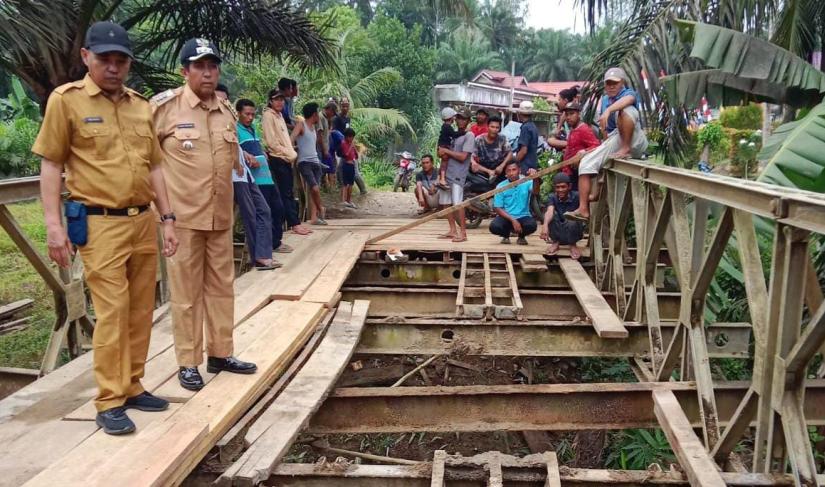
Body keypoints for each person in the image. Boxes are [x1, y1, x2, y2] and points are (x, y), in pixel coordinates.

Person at [33, 21, 178, 436]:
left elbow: (154, 167)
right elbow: (51, 164)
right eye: (104, 60)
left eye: (121, 61)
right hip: (99, 224)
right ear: (86, 58)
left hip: (142, 221)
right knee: (112, 312)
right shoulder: (67, 101)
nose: (113, 68)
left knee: (140, 310)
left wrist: (167, 219)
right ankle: (110, 399)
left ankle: (133, 385)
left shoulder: (139, 106)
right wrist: (53, 225)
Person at [152, 37, 257, 392]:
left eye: (213, 66)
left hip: (219, 219)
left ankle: (221, 353)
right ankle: (188, 361)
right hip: (182, 220)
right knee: (185, 294)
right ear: (185, 71)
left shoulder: (226, 111)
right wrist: (162, 214)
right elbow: (145, 163)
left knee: (221, 288)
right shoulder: (165, 109)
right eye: (200, 66)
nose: (208, 73)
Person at [565, 67, 648, 223]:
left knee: (625, 111)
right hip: (614, 138)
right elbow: (606, 132)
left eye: (614, 83)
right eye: (608, 83)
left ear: (622, 83)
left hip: (634, 139)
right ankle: (583, 209)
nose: (610, 86)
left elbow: (628, 102)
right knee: (586, 163)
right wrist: (600, 145)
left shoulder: (628, 94)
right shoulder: (604, 100)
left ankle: (626, 147)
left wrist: (609, 110)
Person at [218, 87, 278, 271]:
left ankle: (261, 255)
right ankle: (258, 257)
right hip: (233, 175)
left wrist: (245, 155)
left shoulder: (230, 121)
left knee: (263, 210)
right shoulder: (213, 121)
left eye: (225, 99)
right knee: (251, 214)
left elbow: (233, 144)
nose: (222, 102)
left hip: (245, 173)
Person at [236, 98, 293, 257]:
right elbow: (235, 151)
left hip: (266, 176)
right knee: (263, 213)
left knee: (278, 209)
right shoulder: (235, 130)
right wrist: (247, 157)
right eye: (247, 114)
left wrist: (263, 154)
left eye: (253, 114)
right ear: (238, 113)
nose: (250, 117)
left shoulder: (254, 128)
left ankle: (275, 242)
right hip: (253, 179)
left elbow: (258, 145)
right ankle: (264, 249)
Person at [262, 89, 311, 235]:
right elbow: (271, 142)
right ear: (270, 101)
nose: (280, 102)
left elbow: (284, 140)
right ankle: (293, 224)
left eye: (282, 99)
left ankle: (294, 222)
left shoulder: (279, 116)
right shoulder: (267, 116)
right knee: (284, 193)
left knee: (289, 192)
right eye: (276, 99)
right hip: (277, 158)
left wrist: (290, 152)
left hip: (286, 158)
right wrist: (289, 153)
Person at [437, 109, 474, 243]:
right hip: (447, 173)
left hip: (458, 174)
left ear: (468, 121)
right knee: (446, 203)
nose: (460, 121)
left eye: (464, 118)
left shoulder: (469, 136)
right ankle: (452, 230)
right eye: (458, 118)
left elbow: (463, 157)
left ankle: (463, 233)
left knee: (458, 204)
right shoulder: (453, 134)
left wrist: (445, 151)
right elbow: (441, 152)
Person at [291, 102, 327, 225]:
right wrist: (292, 151)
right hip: (304, 162)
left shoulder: (314, 129)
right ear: (314, 114)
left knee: (314, 190)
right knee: (315, 188)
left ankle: (314, 218)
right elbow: (292, 138)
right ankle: (321, 208)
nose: (319, 116)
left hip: (316, 162)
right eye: (318, 113)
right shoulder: (301, 125)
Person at [490, 160, 541, 245]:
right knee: (494, 227)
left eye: (514, 169)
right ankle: (506, 235)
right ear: (505, 173)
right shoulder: (500, 186)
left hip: (523, 216)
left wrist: (535, 178)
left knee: (532, 225)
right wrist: (513, 220)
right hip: (507, 217)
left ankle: (521, 236)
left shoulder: (527, 181)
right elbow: (497, 207)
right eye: (508, 170)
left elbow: (536, 192)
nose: (511, 173)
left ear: (519, 170)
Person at [541, 173, 585, 260]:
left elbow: (589, 201)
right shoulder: (552, 197)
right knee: (551, 215)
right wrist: (545, 225)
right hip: (559, 232)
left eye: (563, 187)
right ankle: (556, 243)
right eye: (557, 187)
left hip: (574, 233)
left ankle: (572, 245)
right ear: (554, 188)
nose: (560, 190)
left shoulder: (577, 196)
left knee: (572, 217)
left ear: (569, 186)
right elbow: (550, 211)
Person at [560, 101, 601, 191]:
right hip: (570, 171)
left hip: (578, 172)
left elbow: (597, 146)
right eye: (567, 115)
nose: (568, 117)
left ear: (579, 114)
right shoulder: (573, 129)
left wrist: (582, 153)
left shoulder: (583, 129)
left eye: (572, 114)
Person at [333, 97, 367, 194]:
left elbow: (349, 133)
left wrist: (352, 145)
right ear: (340, 106)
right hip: (341, 147)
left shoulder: (347, 118)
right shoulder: (337, 118)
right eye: (343, 106)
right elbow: (334, 132)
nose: (345, 108)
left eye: (347, 106)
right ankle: (342, 189)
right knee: (340, 169)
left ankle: (362, 189)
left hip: (348, 147)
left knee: (353, 170)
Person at [472, 114, 511, 185]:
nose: (494, 130)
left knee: (513, 160)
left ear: (499, 129)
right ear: (487, 127)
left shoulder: (503, 138)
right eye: (492, 127)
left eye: (497, 127)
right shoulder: (479, 139)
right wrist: (473, 163)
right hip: (483, 168)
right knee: (471, 165)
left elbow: (510, 153)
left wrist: (502, 166)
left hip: (498, 169)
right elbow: (471, 155)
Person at [548, 85, 580, 151]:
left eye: (559, 100)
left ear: (565, 100)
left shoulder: (575, 112)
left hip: (575, 144)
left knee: (551, 140)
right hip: (572, 143)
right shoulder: (565, 114)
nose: (568, 117)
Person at [515, 100, 539, 175]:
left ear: (519, 114)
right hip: (532, 164)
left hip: (525, 166)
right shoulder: (533, 126)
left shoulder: (525, 128)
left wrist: (515, 162)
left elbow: (523, 151)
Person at [437, 107, 458, 189]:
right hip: (444, 147)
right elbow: (454, 135)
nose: (454, 118)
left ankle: (439, 179)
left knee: (443, 163)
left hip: (441, 146)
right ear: (450, 117)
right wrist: (463, 132)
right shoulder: (447, 126)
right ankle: (442, 180)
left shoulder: (444, 126)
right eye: (453, 116)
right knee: (444, 164)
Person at [339, 128, 358, 208]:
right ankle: (343, 200)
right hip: (346, 164)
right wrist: (351, 146)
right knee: (345, 183)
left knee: (351, 183)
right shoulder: (344, 143)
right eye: (351, 137)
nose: (352, 139)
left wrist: (355, 149)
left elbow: (356, 156)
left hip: (352, 165)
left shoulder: (351, 145)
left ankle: (349, 200)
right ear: (347, 137)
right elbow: (346, 154)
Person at [319, 101, 337, 188]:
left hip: (326, 148)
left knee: (329, 168)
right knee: (324, 169)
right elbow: (320, 135)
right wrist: (324, 150)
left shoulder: (326, 118)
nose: (333, 115)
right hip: (322, 149)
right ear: (329, 110)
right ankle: (324, 186)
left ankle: (329, 187)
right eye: (333, 113)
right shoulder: (321, 117)